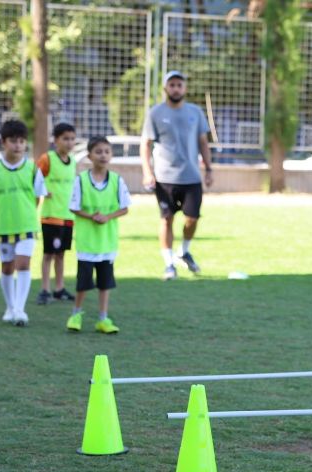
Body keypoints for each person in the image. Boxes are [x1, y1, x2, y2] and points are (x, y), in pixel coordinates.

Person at [140, 70, 213, 281]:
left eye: (179, 85)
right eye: (172, 84)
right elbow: (146, 144)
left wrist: (208, 169)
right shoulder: (155, 113)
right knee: (166, 219)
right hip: (165, 178)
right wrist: (147, 172)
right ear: (165, 88)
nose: (176, 88)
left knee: (192, 218)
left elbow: (203, 142)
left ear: (185, 88)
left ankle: (184, 251)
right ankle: (169, 264)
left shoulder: (195, 112)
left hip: (191, 176)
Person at [66, 137, 131, 334]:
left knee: (105, 284)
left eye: (106, 151)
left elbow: (124, 207)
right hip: (87, 243)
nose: (103, 155)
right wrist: (92, 216)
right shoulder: (81, 180)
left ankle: (103, 318)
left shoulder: (116, 180)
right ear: (89, 156)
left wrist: (108, 216)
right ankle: (76, 314)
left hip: (107, 243)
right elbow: (74, 206)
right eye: (98, 152)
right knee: (83, 284)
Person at [0, 120, 47, 327]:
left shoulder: (32, 168)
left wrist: (26, 212)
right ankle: (10, 307)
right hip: (3, 226)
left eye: (21, 141)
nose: (18, 145)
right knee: (7, 267)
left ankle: (20, 309)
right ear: (3, 142)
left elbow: (38, 196)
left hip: (27, 225)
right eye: (13, 141)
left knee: (23, 263)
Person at [36, 123, 78, 305]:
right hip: (51, 215)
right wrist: (43, 191)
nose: (69, 143)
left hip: (68, 216)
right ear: (56, 140)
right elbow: (35, 178)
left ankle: (59, 288)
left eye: (72, 139)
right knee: (49, 254)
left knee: (61, 253)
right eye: (65, 139)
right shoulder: (48, 159)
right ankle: (45, 289)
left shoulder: (73, 161)